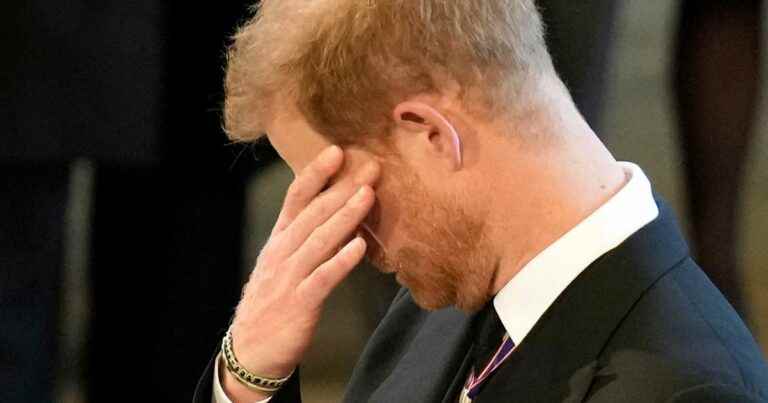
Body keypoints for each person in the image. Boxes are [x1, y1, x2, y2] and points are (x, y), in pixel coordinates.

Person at [195, 1, 768, 402]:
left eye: (344, 188)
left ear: (431, 134)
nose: (346, 231)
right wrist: (249, 380)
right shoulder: (437, 302)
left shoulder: (686, 388)